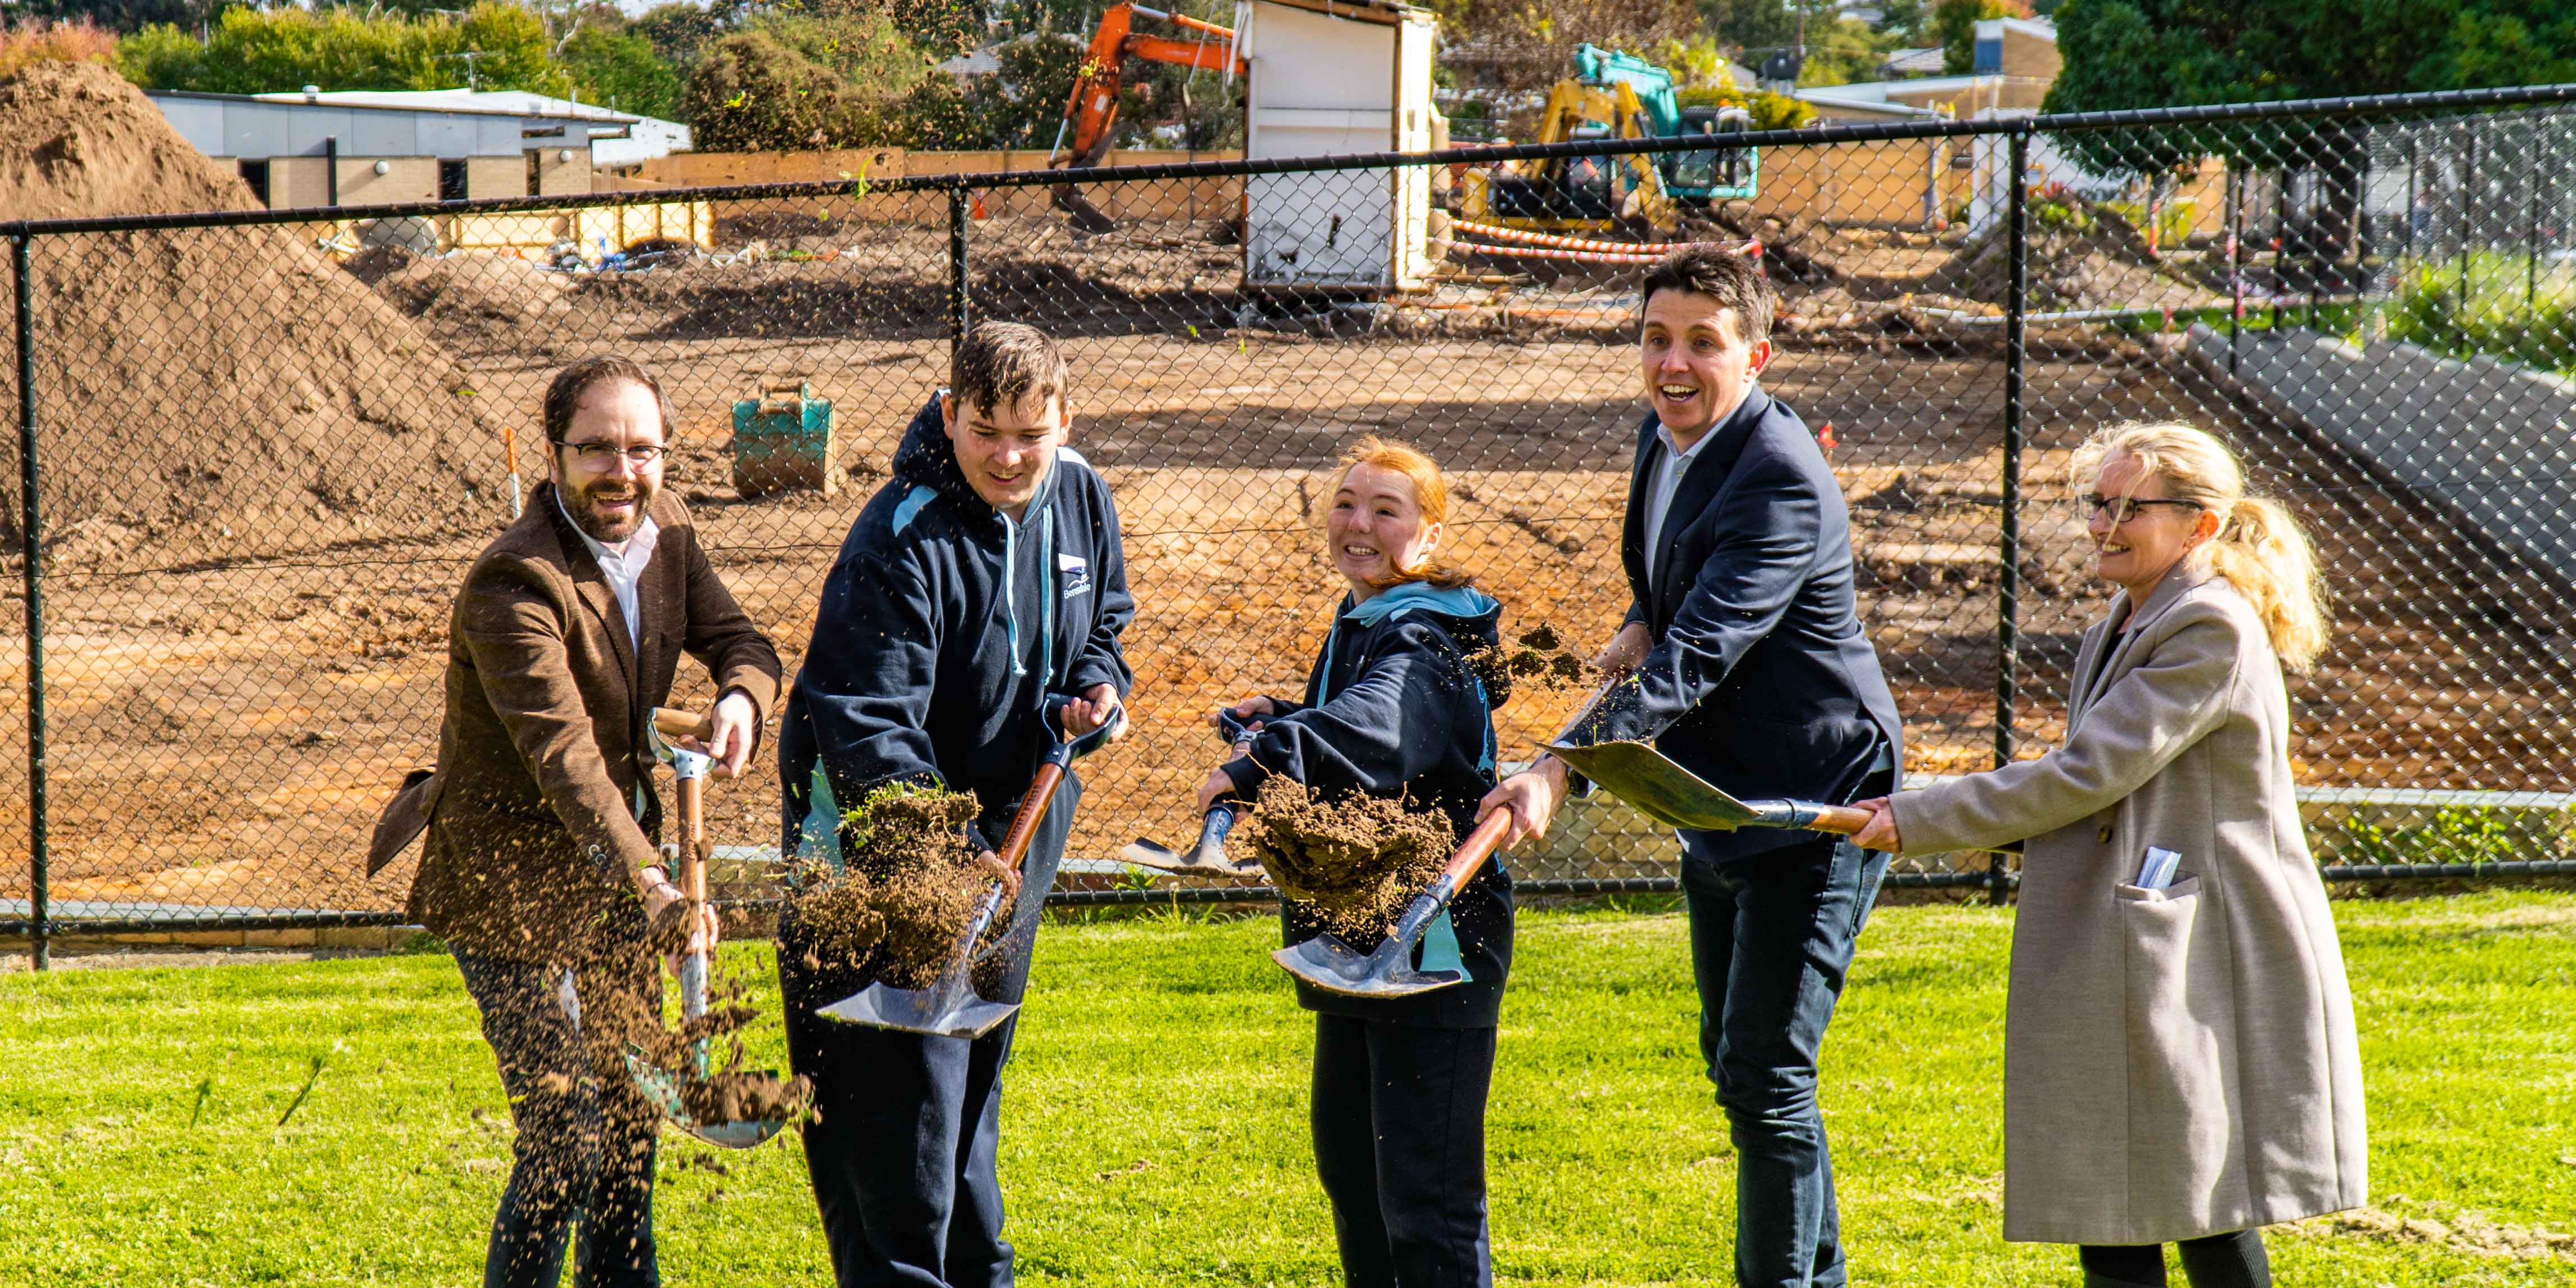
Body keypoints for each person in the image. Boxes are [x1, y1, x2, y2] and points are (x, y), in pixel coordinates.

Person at [1848, 423, 2365, 1288]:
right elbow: (2094, 792)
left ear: (2202, 526)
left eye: (2130, 508)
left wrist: (1919, 817)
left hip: (2200, 945)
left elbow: (2086, 776)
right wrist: (1922, 816)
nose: (2101, 525)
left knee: (2197, 1202)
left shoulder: (2207, 626)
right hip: (2142, 936)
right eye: (2097, 503)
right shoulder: (2129, 621)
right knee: (2124, 1198)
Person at [1476, 244, 1904, 1288]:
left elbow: (1702, 651)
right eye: (1656, 339)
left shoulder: (1779, 479)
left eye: (1703, 343)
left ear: (1756, 355)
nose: (1673, 364)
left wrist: (1560, 766)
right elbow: (1675, 583)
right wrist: (1638, 616)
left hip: (1818, 801)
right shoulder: (1666, 438)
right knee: (1743, 1063)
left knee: (1765, 1074)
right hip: (1716, 800)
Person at [375, 355, 783, 1288]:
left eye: (643, 450)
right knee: (566, 1130)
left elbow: (742, 642)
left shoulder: (669, 528)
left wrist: (740, 701)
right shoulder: (514, 583)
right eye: (598, 448)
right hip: (511, 888)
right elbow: (567, 760)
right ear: (555, 453)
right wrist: (654, 883)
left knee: (631, 1124)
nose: (622, 472)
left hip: (617, 882)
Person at [775, 320, 1132, 1288]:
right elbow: (864, 719)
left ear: (1065, 421)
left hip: (1016, 833)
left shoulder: (1082, 494)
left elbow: (1105, 618)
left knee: (971, 1088)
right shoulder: (902, 535)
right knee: (898, 1119)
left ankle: (981, 1273)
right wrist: (942, 847)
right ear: (948, 415)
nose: (1009, 457)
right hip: (884, 849)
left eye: (1031, 434)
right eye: (986, 431)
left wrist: (1094, 685)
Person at [1198, 437, 1513, 1288]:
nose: (1359, 524)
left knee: (1425, 1201)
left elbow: (1383, 724)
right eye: (1346, 503)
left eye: (1386, 510)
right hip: (1364, 928)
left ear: (1430, 535)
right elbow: (1368, 725)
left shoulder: (1426, 636)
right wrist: (1288, 714)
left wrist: (1264, 761)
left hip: (1436, 934)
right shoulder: (1373, 615)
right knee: (1356, 1174)